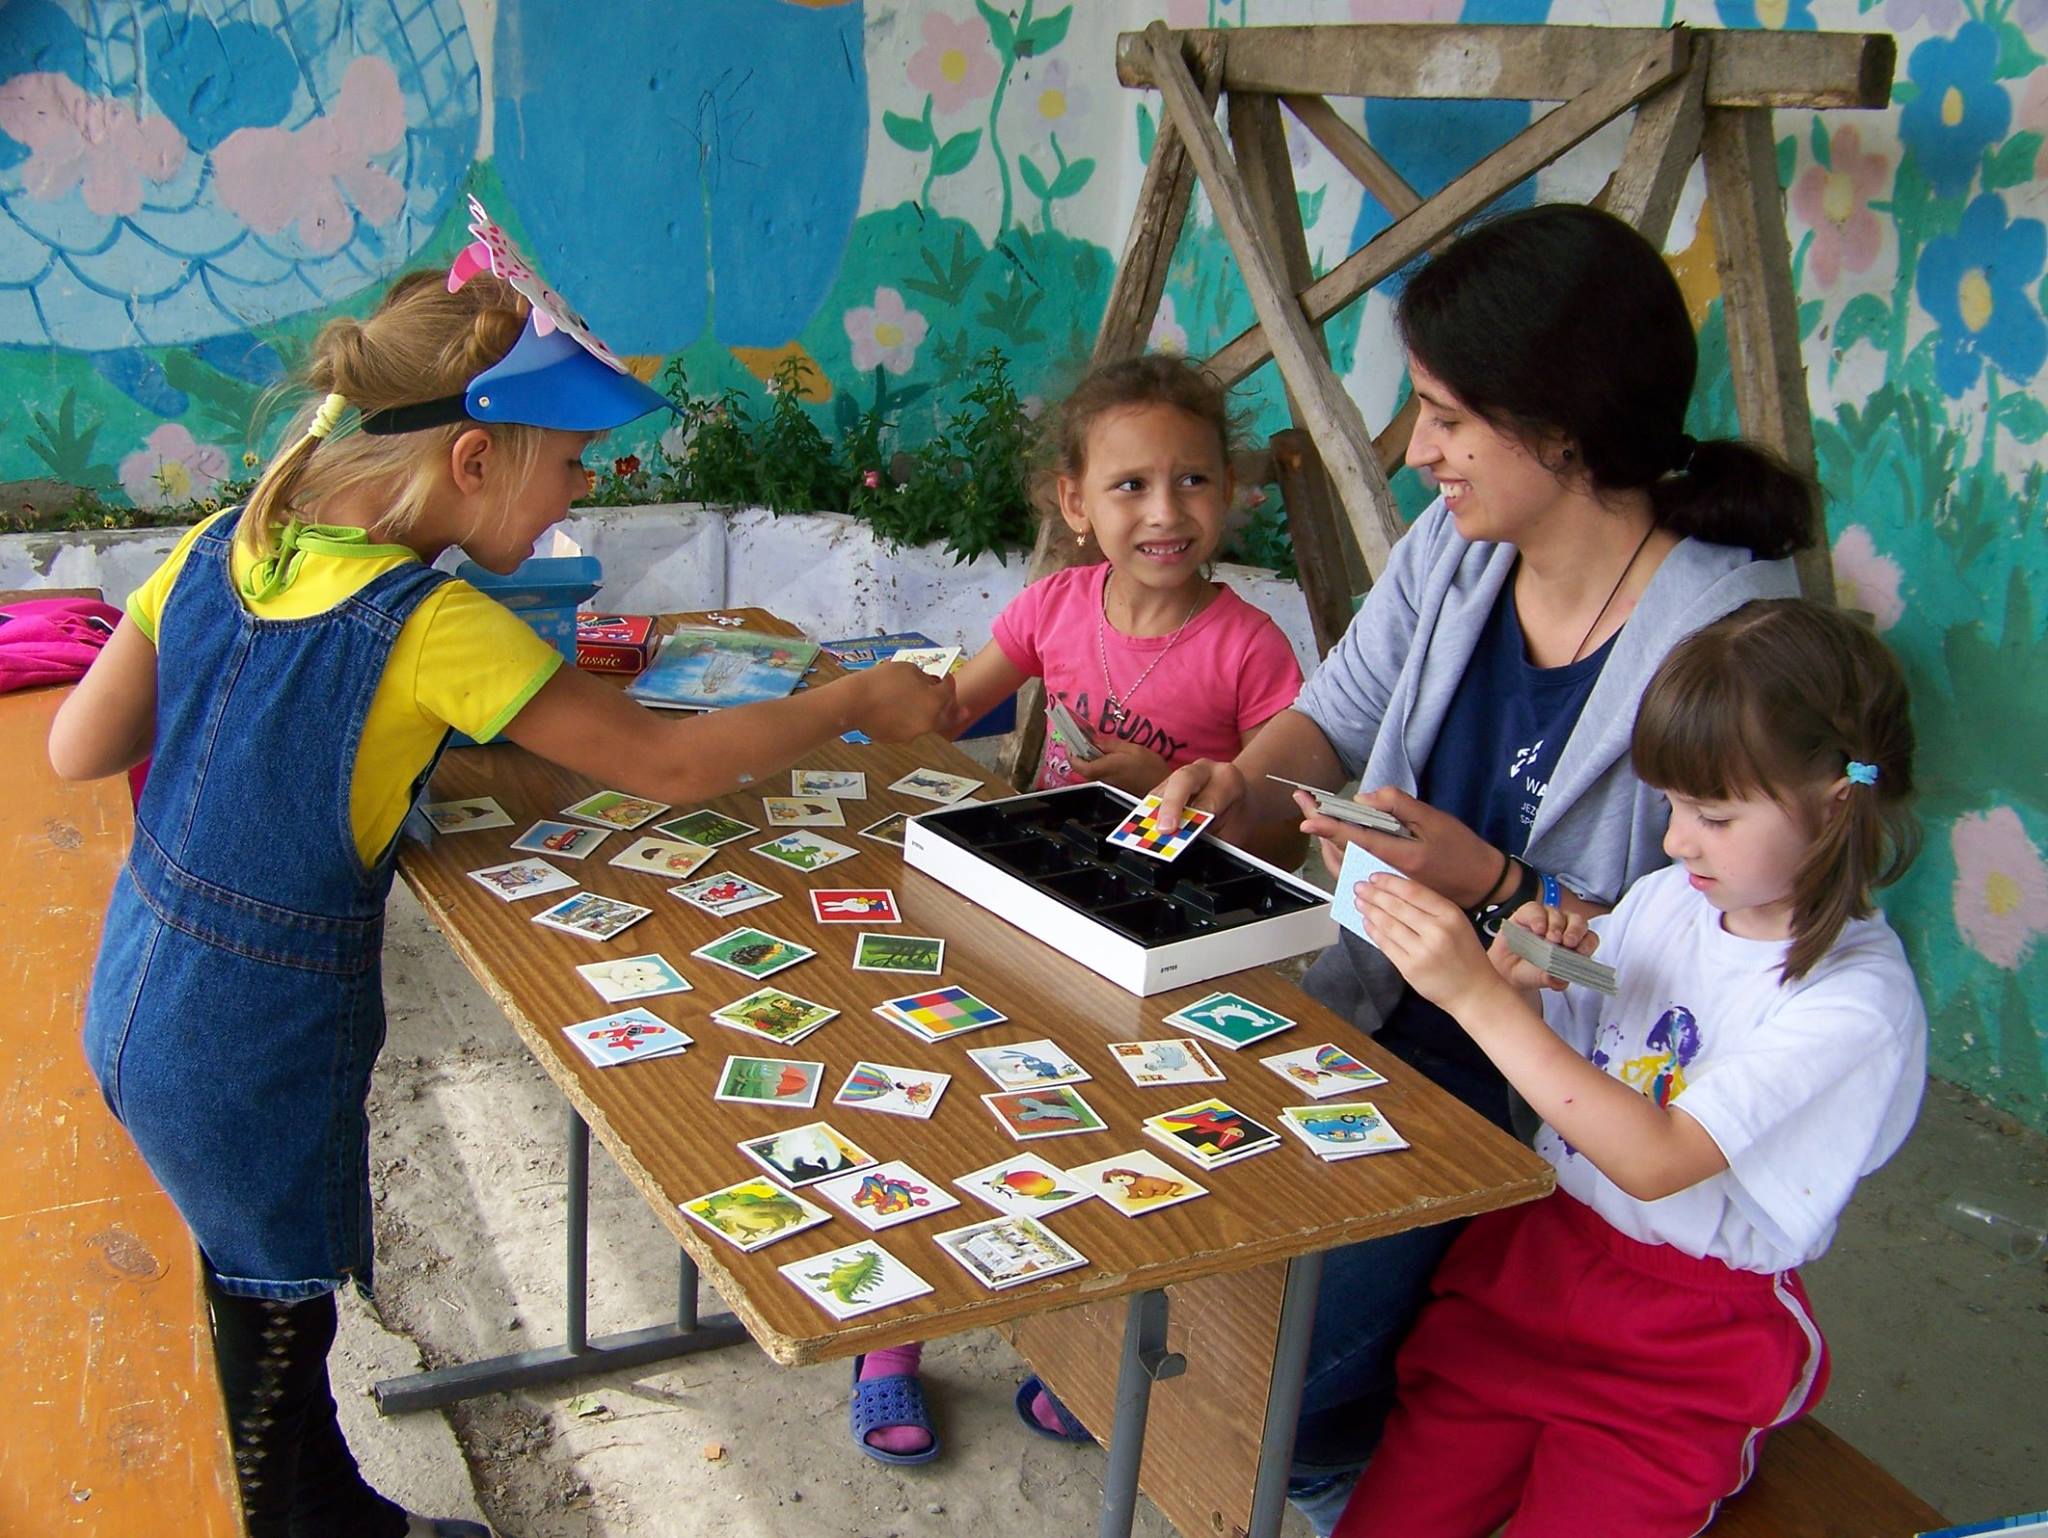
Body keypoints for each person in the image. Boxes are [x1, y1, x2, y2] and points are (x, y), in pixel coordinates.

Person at [49, 217, 951, 1538]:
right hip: (252, 1039)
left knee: (255, 1294)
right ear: (474, 460)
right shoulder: (433, 624)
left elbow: (80, 746)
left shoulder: (216, 544)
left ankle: (322, 1503)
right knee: (277, 1314)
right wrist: (854, 699)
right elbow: (671, 767)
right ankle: (308, 1521)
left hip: (137, 986)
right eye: (571, 466)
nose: (577, 496)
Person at [1148, 202, 1816, 1530]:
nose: (1417, 449)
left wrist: (1497, 885)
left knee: (1260, 1371)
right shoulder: (1457, 549)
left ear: (1561, 430)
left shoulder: (1732, 642)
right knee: (1160, 1262)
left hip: (1538, 1096)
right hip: (1361, 1007)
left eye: (1447, 416)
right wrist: (1240, 785)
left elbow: (1707, 978)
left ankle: (1339, 1442)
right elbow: (1332, 718)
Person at [1333, 598, 1925, 1537]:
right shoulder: (1670, 899)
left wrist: (1479, 1000)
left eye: (1714, 815)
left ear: (1837, 801)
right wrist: (1521, 980)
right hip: (1540, 1266)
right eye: (1673, 806)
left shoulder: (1855, 1005)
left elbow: (1657, 1157)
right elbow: (1579, 1062)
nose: (1679, 839)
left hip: (1682, 1349)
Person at [846, 352, 1304, 1465]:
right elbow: (953, 704)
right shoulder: (1055, 604)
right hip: (1028, 908)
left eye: (1193, 481)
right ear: (1074, 501)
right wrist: (844, 693)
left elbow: (1285, 828)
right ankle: (889, 1339)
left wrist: (1174, 790)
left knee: (1109, 1141)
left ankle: (1078, 1351)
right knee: (953, 1099)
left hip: (1166, 944)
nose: (1165, 512)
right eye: (1130, 485)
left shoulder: (1250, 646)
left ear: (1232, 491)